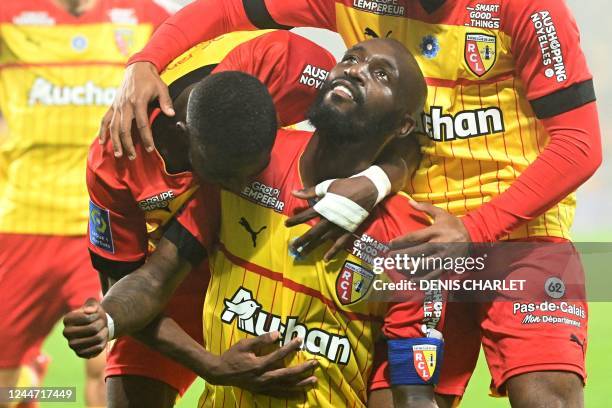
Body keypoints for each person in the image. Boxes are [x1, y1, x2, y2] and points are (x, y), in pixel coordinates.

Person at [104, 0, 602, 406]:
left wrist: (474, 227)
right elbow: (231, 9)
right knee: (410, 394)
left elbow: (581, 143)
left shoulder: (529, 8)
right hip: (410, 237)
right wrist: (145, 61)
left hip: (517, 235)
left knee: (548, 397)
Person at [65, 38, 446, 407]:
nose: (356, 70)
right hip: (178, 275)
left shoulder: (409, 235)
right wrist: (109, 321)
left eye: (381, 75)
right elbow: (143, 281)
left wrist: (378, 180)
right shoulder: (131, 158)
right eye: (351, 58)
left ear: (403, 125)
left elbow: (410, 391)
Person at [80, 30, 340, 407]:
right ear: (184, 138)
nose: (240, 186)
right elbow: (121, 291)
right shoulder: (116, 160)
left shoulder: (281, 62)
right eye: (227, 174)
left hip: (278, 256)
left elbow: (364, 122)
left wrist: (373, 182)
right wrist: (211, 365)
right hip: (179, 273)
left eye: (253, 170)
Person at [0, 1, 174, 406]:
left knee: (105, 364)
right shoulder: (10, 14)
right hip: (22, 218)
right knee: (6, 386)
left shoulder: (146, 17)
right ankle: (28, 379)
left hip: (103, 223)